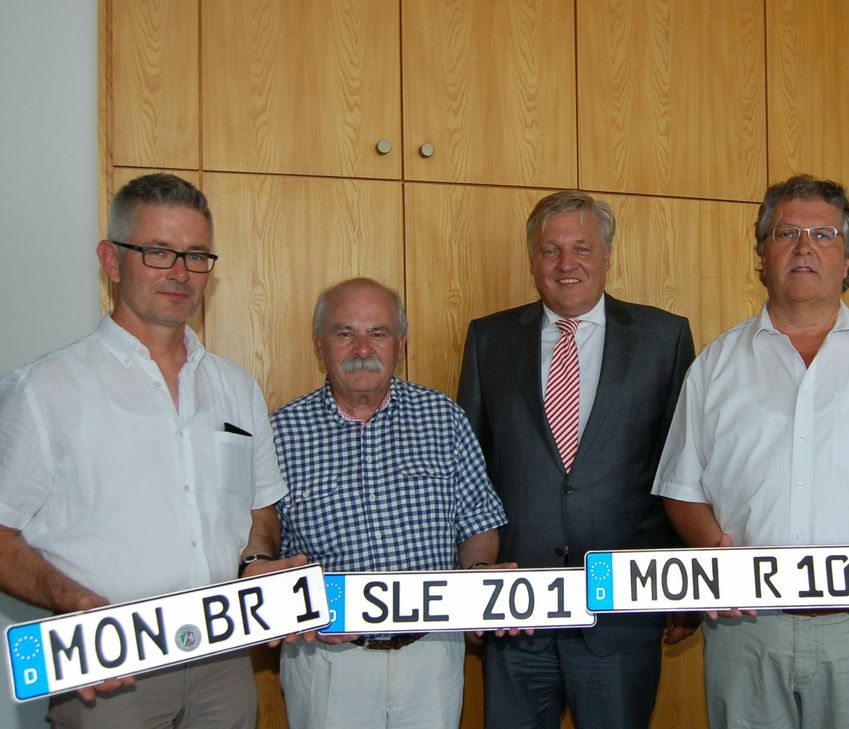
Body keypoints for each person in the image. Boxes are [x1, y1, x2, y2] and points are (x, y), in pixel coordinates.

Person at [652, 174, 849, 729]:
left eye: (824, 235)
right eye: (787, 233)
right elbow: (681, 488)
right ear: (762, 254)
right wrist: (713, 552)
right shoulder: (716, 365)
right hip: (747, 630)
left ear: (848, 259)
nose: (804, 248)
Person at [0, 172, 296, 727]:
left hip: (224, 660)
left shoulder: (236, 386)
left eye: (196, 255)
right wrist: (71, 599)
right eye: (158, 252)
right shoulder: (43, 389)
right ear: (112, 261)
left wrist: (257, 562)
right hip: (110, 671)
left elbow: (258, 509)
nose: (181, 273)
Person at [457, 190, 696, 729]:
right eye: (550, 250)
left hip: (623, 612)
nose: (567, 265)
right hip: (515, 610)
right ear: (532, 259)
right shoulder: (488, 339)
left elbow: (683, 468)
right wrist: (470, 581)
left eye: (582, 248)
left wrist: (686, 585)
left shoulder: (664, 337)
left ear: (608, 255)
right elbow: (470, 472)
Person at [273, 277, 507, 729]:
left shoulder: (443, 418)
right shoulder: (281, 432)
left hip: (432, 654)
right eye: (345, 333)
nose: (363, 347)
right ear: (319, 344)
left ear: (400, 343)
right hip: (327, 660)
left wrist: (480, 580)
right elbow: (263, 546)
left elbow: (479, 522)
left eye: (378, 333)